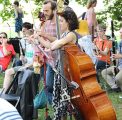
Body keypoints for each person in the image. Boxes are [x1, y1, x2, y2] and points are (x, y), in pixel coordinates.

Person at [33, 8, 79, 120]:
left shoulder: (71, 35)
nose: (60, 24)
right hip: (61, 69)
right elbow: (50, 45)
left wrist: (45, 41)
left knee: (67, 100)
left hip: (68, 72)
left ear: (69, 22)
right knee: (60, 100)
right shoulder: (64, 35)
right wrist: (38, 38)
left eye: (62, 21)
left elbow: (55, 45)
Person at [3, 29, 35, 93]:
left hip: (32, 68)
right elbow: (27, 59)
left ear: (32, 37)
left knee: (19, 73)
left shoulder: (36, 47)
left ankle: (13, 92)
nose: (25, 39)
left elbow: (38, 62)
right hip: (25, 66)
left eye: (27, 37)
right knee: (8, 72)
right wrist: (23, 58)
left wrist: (28, 65)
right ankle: (5, 93)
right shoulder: (28, 46)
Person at [101, 28, 122, 92]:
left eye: (121, 32)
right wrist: (116, 66)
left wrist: (120, 56)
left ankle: (120, 86)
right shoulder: (120, 42)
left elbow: (120, 56)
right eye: (120, 32)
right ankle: (115, 87)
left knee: (118, 78)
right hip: (120, 66)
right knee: (104, 72)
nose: (120, 33)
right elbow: (118, 56)